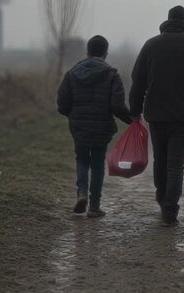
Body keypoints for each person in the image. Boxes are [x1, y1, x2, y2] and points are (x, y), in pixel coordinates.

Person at [130, 5, 184, 225]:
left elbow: (137, 81)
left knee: (160, 159)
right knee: (175, 163)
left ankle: (162, 199)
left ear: (168, 20)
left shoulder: (151, 45)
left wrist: (134, 111)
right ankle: (170, 209)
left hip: (156, 114)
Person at [57, 35, 132, 218]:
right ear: (105, 53)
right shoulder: (111, 74)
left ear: (88, 51)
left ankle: (81, 193)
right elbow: (117, 105)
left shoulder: (72, 73)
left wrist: (74, 116)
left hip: (79, 126)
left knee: (82, 160)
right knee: (98, 164)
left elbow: (62, 104)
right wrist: (131, 120)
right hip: (101, 126)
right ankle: (94, 206)